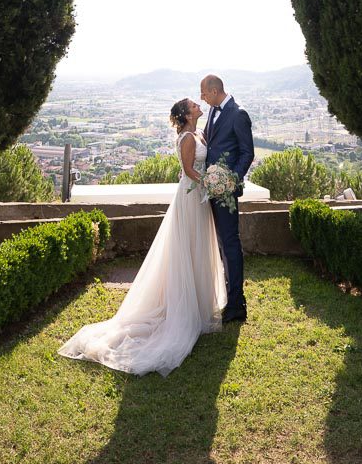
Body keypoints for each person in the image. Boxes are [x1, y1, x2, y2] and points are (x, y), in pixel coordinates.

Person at [57, 97, 227, 376]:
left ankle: (199, 303)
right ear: (185, 114)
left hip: (198, 198)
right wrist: (209, 182)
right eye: (194, 105)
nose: (198, 105)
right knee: (188, 248)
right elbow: (187, 170)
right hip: (191, 196)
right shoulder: (187, 138)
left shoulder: (198, 133)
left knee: (198, 248)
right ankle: (183, 311)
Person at [199, 73, 253, 322]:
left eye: (203, 92)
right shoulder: (212, 111)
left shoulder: (238, 113)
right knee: (221, 243)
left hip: (226, 191)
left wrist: (232, 179)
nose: (201, 97)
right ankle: (228, 297)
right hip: (211, 187)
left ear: (213, 91)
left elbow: (247, 152)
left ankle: (237, 304)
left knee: (230, 243)